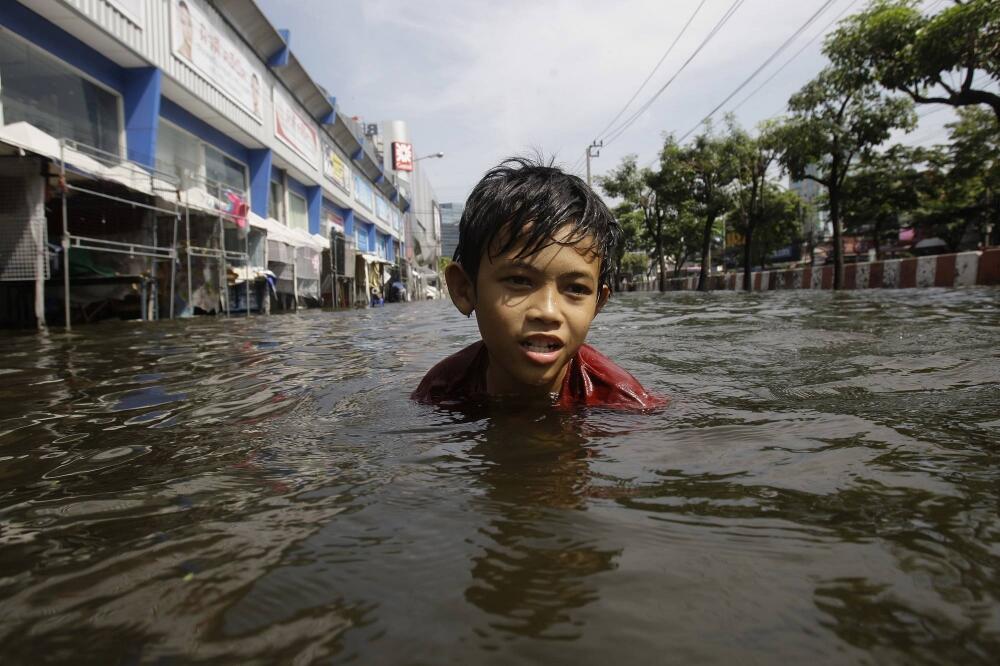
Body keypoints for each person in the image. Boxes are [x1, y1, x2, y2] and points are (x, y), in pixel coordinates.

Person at [412, 157, 665, 409]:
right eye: (519, 281)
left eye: (576, 289)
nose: (548, 312)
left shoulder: (623, 404)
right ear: (464, 290)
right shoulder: (439, 393)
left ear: (598, 303)